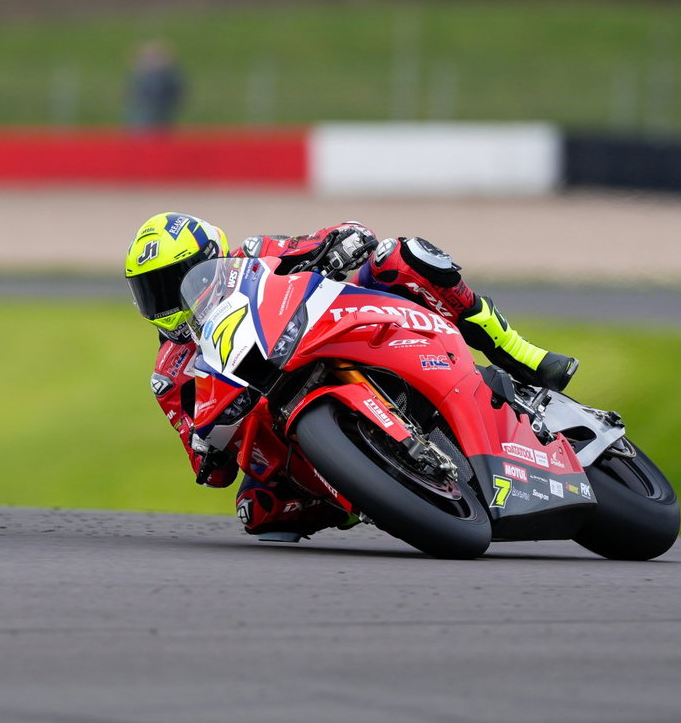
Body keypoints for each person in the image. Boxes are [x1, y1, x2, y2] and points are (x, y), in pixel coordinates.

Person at [124, 212, 578, 540]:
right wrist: (206, 451)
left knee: (402, 258)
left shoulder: (257, 254)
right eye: (151, 291)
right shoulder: (170, 373)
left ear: (210, 258)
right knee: (257, 512)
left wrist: (342, 241)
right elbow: (208, 467)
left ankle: (520, 353)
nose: (166, 301)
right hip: (273, 412)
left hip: (332, 329)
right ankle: (366, 492)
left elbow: (330, 237)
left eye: (173, 281)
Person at [125, 41, 184, 132]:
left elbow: (175, 93)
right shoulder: (141, 75)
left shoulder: (166, 76)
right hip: (143, 115)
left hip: (161, 114)